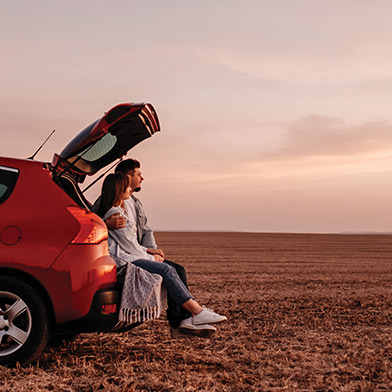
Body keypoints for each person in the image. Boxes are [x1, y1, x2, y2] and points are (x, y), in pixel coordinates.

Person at [95, 171, 227, 337]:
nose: (130, 188)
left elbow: (132, 244)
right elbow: (129, 247)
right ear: (118, 188)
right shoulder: (115, 215)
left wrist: (149, 251)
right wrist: (152, 258)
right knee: (166, 270)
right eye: (127, 185)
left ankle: (186, 320)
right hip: (124, 260)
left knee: (174, 270)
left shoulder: (124, 209)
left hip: (130, 255)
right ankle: (197, 312)